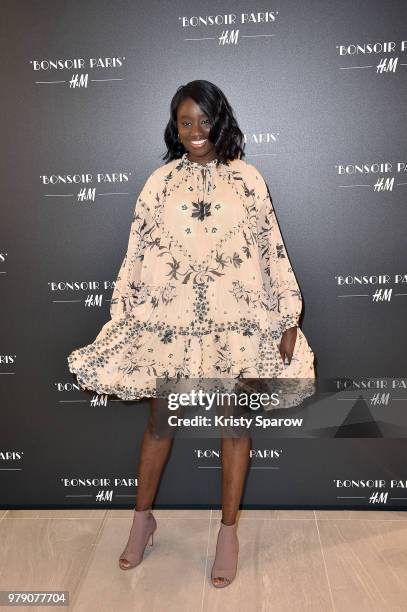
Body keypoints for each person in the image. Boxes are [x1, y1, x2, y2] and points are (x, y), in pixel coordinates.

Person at [67, 79, 315, 588]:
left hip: (238, 323)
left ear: (219, 120)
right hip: (172, 324)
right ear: (174, 128)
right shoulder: (159, 184)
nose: (196, 131)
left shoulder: (248, 179)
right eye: (186, 122)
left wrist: (287, 316)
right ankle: (142, 521)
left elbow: (271, 249)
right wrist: (125, 312)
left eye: (205, 120)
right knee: (159, 423)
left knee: (234, 427)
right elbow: (136, 251)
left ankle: (227, 533)